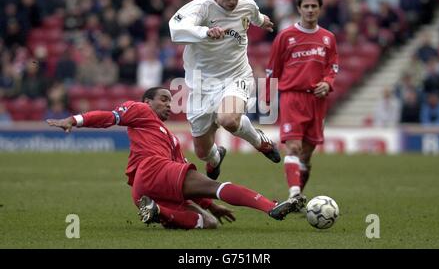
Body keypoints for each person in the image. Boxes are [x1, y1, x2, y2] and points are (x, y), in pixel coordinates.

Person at [47, 87, 304, 230]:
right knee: (216, 187)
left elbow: (186, 182)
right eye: (163, 99)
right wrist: (74, 120)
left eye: (171, 101)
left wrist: (212, 207)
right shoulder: (140, 111)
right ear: (147, 101)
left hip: (143, 190)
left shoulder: (169, 138)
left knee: (209, 223)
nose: (169, 104)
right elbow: (109, 117)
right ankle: (270, 207)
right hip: (154, 170)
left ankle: (160, 212)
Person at [168, 0, 280, 180]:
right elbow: (176, 30)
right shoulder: (200, 8)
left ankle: (260, 142)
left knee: (228, 119)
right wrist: (205, 32)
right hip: (201, 84)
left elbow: (256, 16)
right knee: (202, 152)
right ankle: (216, 157)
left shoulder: (247, 5)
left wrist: (263, 21)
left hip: (236, 76)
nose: (232, 1)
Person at [266, 0, 339, 203]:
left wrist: (327, 83)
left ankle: (298, 195)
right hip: (292, 98)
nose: (310, 10)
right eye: (306, 6)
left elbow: (332, 67)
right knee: (294, 147)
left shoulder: (328, 38)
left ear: (319, 9)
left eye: (313, 6)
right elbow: (272, 70)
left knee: (306, 155)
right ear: (299, 9)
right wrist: (269, 100)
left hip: (317, 101)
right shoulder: (285, 37)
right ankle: (294, 193)